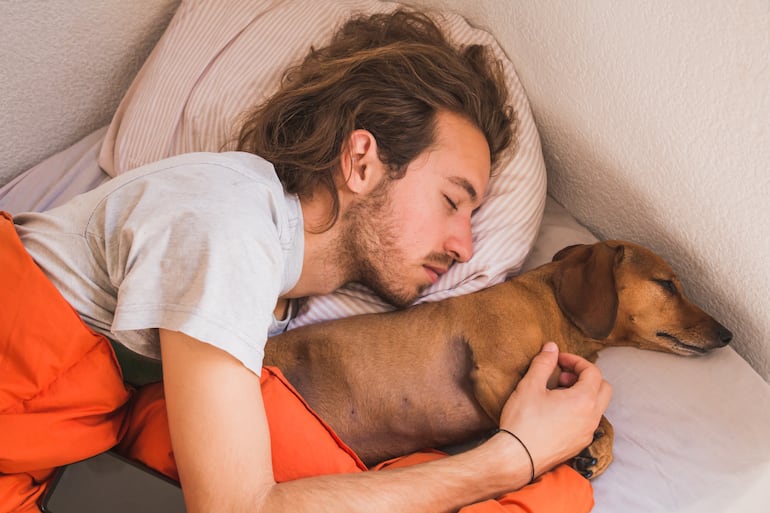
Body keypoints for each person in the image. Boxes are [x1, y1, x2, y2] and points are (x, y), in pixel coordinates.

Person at [3, 9, 611, 513]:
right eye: (452, 201)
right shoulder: (232, 224)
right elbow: (238, 509)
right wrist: (511, 458)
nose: (465, 246)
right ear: (362, 161)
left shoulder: (276, 289)